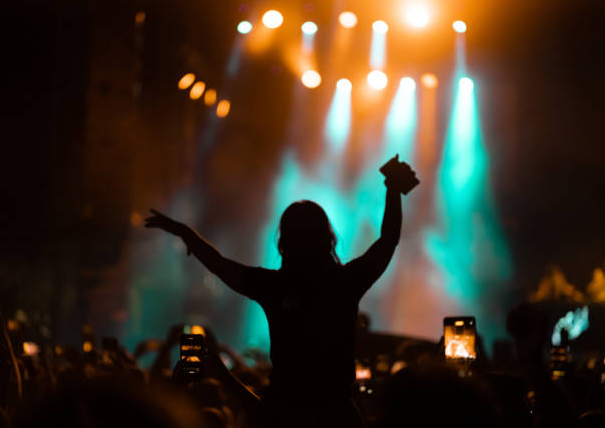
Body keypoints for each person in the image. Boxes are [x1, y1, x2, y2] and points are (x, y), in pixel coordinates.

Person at [145, 156, 417, 427]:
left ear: (283, 243)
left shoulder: (273, 286)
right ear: (328, 239)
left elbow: (219, 265)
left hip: (283, 417)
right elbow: (388, 240)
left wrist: (185, 233)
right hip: (336, 418)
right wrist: (393, 189)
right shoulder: (345, 281)